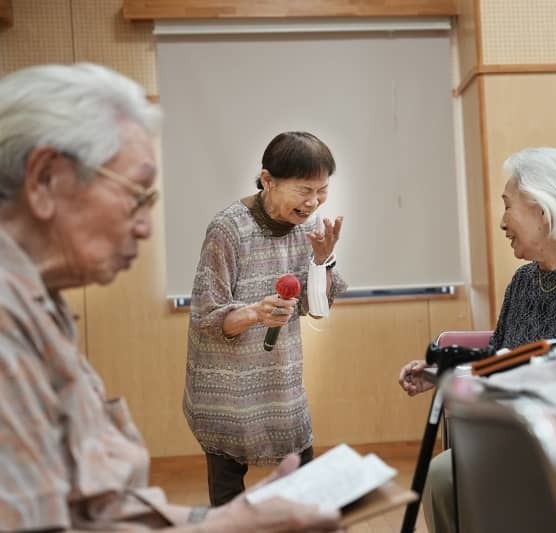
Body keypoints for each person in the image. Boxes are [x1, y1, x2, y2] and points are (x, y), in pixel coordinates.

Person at [0, 63, 341, 531]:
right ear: (44, 180)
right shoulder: (8, 323)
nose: (144, 228)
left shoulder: (41, 305)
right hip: (228, 393)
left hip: (280, 387)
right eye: (136, 195)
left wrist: (220, 522)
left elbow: (94, 508)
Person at [398, 147, 556, 533]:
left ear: (544, 211)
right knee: (442, 474)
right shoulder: (524, 281)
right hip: (512, 433)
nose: (502, 221)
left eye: (508, 206)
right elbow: (498, 359)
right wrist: (436, 374)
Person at [183, 131, 347, 506]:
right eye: (305, 190)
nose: (314, 201)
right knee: (228, 495)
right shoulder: (228, 228)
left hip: (280, 378)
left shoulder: (310, 227)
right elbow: (208, 316)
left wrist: (324, 260)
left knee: (301, 477)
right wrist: (256, 313)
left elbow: (317, 306)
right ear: (267, 180)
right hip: (226, 384)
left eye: (322, 190)